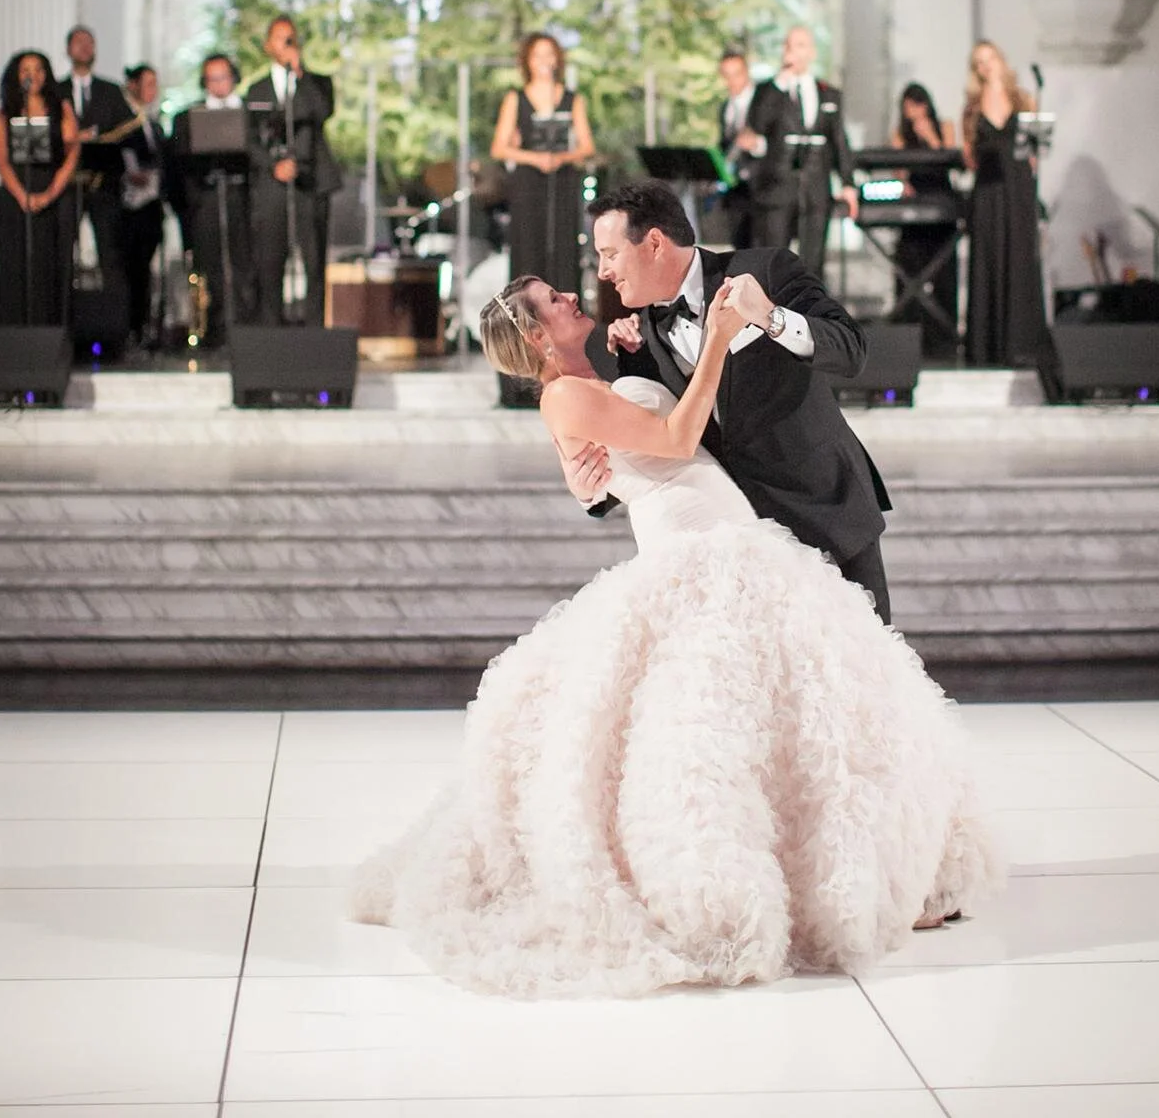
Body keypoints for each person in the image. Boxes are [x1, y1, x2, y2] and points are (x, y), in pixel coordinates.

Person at [353, 270, 998, 997]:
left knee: (806, 719)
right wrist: (720, 341)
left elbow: (639, 437)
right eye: (555, 300)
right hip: (693, 555)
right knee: (714, 734)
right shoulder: (564, 392)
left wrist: (636, 362)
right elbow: (674, 433)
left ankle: (863, 873)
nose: (573, 296)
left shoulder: (591, 372)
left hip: (735, 541)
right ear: (536, 335)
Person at [586, 178, 892, 620]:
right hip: (746, 545)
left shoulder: (766, 269)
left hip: (826, 511)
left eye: (609, 253)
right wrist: (593, 494)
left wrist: (770, 317)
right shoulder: (644, 337)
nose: (602, 271)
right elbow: (661, 443)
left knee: (869, 674)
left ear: (653, 243)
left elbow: (852, 351)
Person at [490, 32, 594, 405]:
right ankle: (521, 377)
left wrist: (561, 159)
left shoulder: (572, 98)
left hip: (562, 185)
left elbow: (586, 145)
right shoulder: (515, 99)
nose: (545, 60)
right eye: (538, 55)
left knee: (564, 265)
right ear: (528, 60)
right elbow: (499, 145)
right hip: (530, 185)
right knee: (528, 266)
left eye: (550, 54)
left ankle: (574, 368)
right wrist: (536, 158)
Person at [245, 16, 341, 326]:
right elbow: (248, 139)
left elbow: (321, 112)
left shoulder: (317, 83)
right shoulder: (257, 90)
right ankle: (272, 328)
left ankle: (313, 330)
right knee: (271, 260)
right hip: (274, 186)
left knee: (313, 260)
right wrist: (273, 166)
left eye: (291, 38)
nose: (287, 44)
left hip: (310, 183)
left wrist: (299, 74)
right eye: (280, 38)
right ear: (268, 45)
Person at [746, 25, 859, 275]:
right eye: (788, 45)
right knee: (773, 262)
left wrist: (848, 183)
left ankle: (809, 312)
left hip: (815, 187)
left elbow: (839, 140)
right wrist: (780, 82)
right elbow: (757, 124)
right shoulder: (769, 90)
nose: (793, 51)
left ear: (811, 52)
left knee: (813, 263)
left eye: (800, 45)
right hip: (778, 187)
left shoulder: (828, 94)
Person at [962, 40, 1048, 367]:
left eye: (989, 59)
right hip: (987, 189)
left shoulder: (1023, 99)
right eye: (978, 62)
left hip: (1019, 189)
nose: (985, 66)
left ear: (1000, 60)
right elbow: (968, 155)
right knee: (988, 259)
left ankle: (1023, 344)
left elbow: (1036, 149)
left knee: (1020, 258)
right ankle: (987, 347)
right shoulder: (971, 107)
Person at [0, 51, 80, 326]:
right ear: (16, 75)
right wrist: (22, 195)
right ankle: (13, 331)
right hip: (17, 193)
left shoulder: (60, 108)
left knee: (48, 264)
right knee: (16, 265)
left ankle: (48, 331)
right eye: (26, 69)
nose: (33, 75)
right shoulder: (4, 113)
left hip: (52, 190)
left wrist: (51, 193)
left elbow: (72, 151)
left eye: (39, 69)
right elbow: (2, 160)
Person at [169, 53, 253, 345]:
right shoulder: (186, 118)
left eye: (224, 77)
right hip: (204, 202)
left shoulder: (250, 114)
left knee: (244, 263)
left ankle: (246, 325)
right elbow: (176, 167)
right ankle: (210, 330)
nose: (218, 84)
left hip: (241, 201)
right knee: (207, 267)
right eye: (212, 79)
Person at [56, 24, 129, 306]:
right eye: (78, 42)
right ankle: (60, 317)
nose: (85, 48)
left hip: (103, 184)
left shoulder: (110, 91)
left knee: (110, 254)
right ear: (68, 49)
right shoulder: (56, 90)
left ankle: (113, 323)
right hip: (66, 185)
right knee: (62, 252)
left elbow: (125, 132)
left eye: (90, 42)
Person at [889, 80, 960, 361]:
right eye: (907, 107)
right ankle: (906, 337)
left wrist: (930, 136)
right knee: (908, 269)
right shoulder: (899, 135)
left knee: (943, 273)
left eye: (917, 105)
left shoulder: (945, 126)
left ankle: (945, 340)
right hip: (913, 206)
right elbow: (898, 171)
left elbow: (950, 158)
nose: (913, 112)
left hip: (941, 202)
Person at [118, 64, 168, 348]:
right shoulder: (125, 122)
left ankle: (145, 326)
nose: (153, 90)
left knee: (145, 272)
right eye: (148, 83)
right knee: (130, 270)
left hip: (151, 209)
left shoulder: (154, 124)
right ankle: (129, 328)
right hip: (129, 209)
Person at [717, 47, 762, 250]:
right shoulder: (726, 107)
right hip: (736, 191)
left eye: (736, 74)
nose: (732, 81)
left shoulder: (763, 102)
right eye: (727, 75)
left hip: (761, 188)